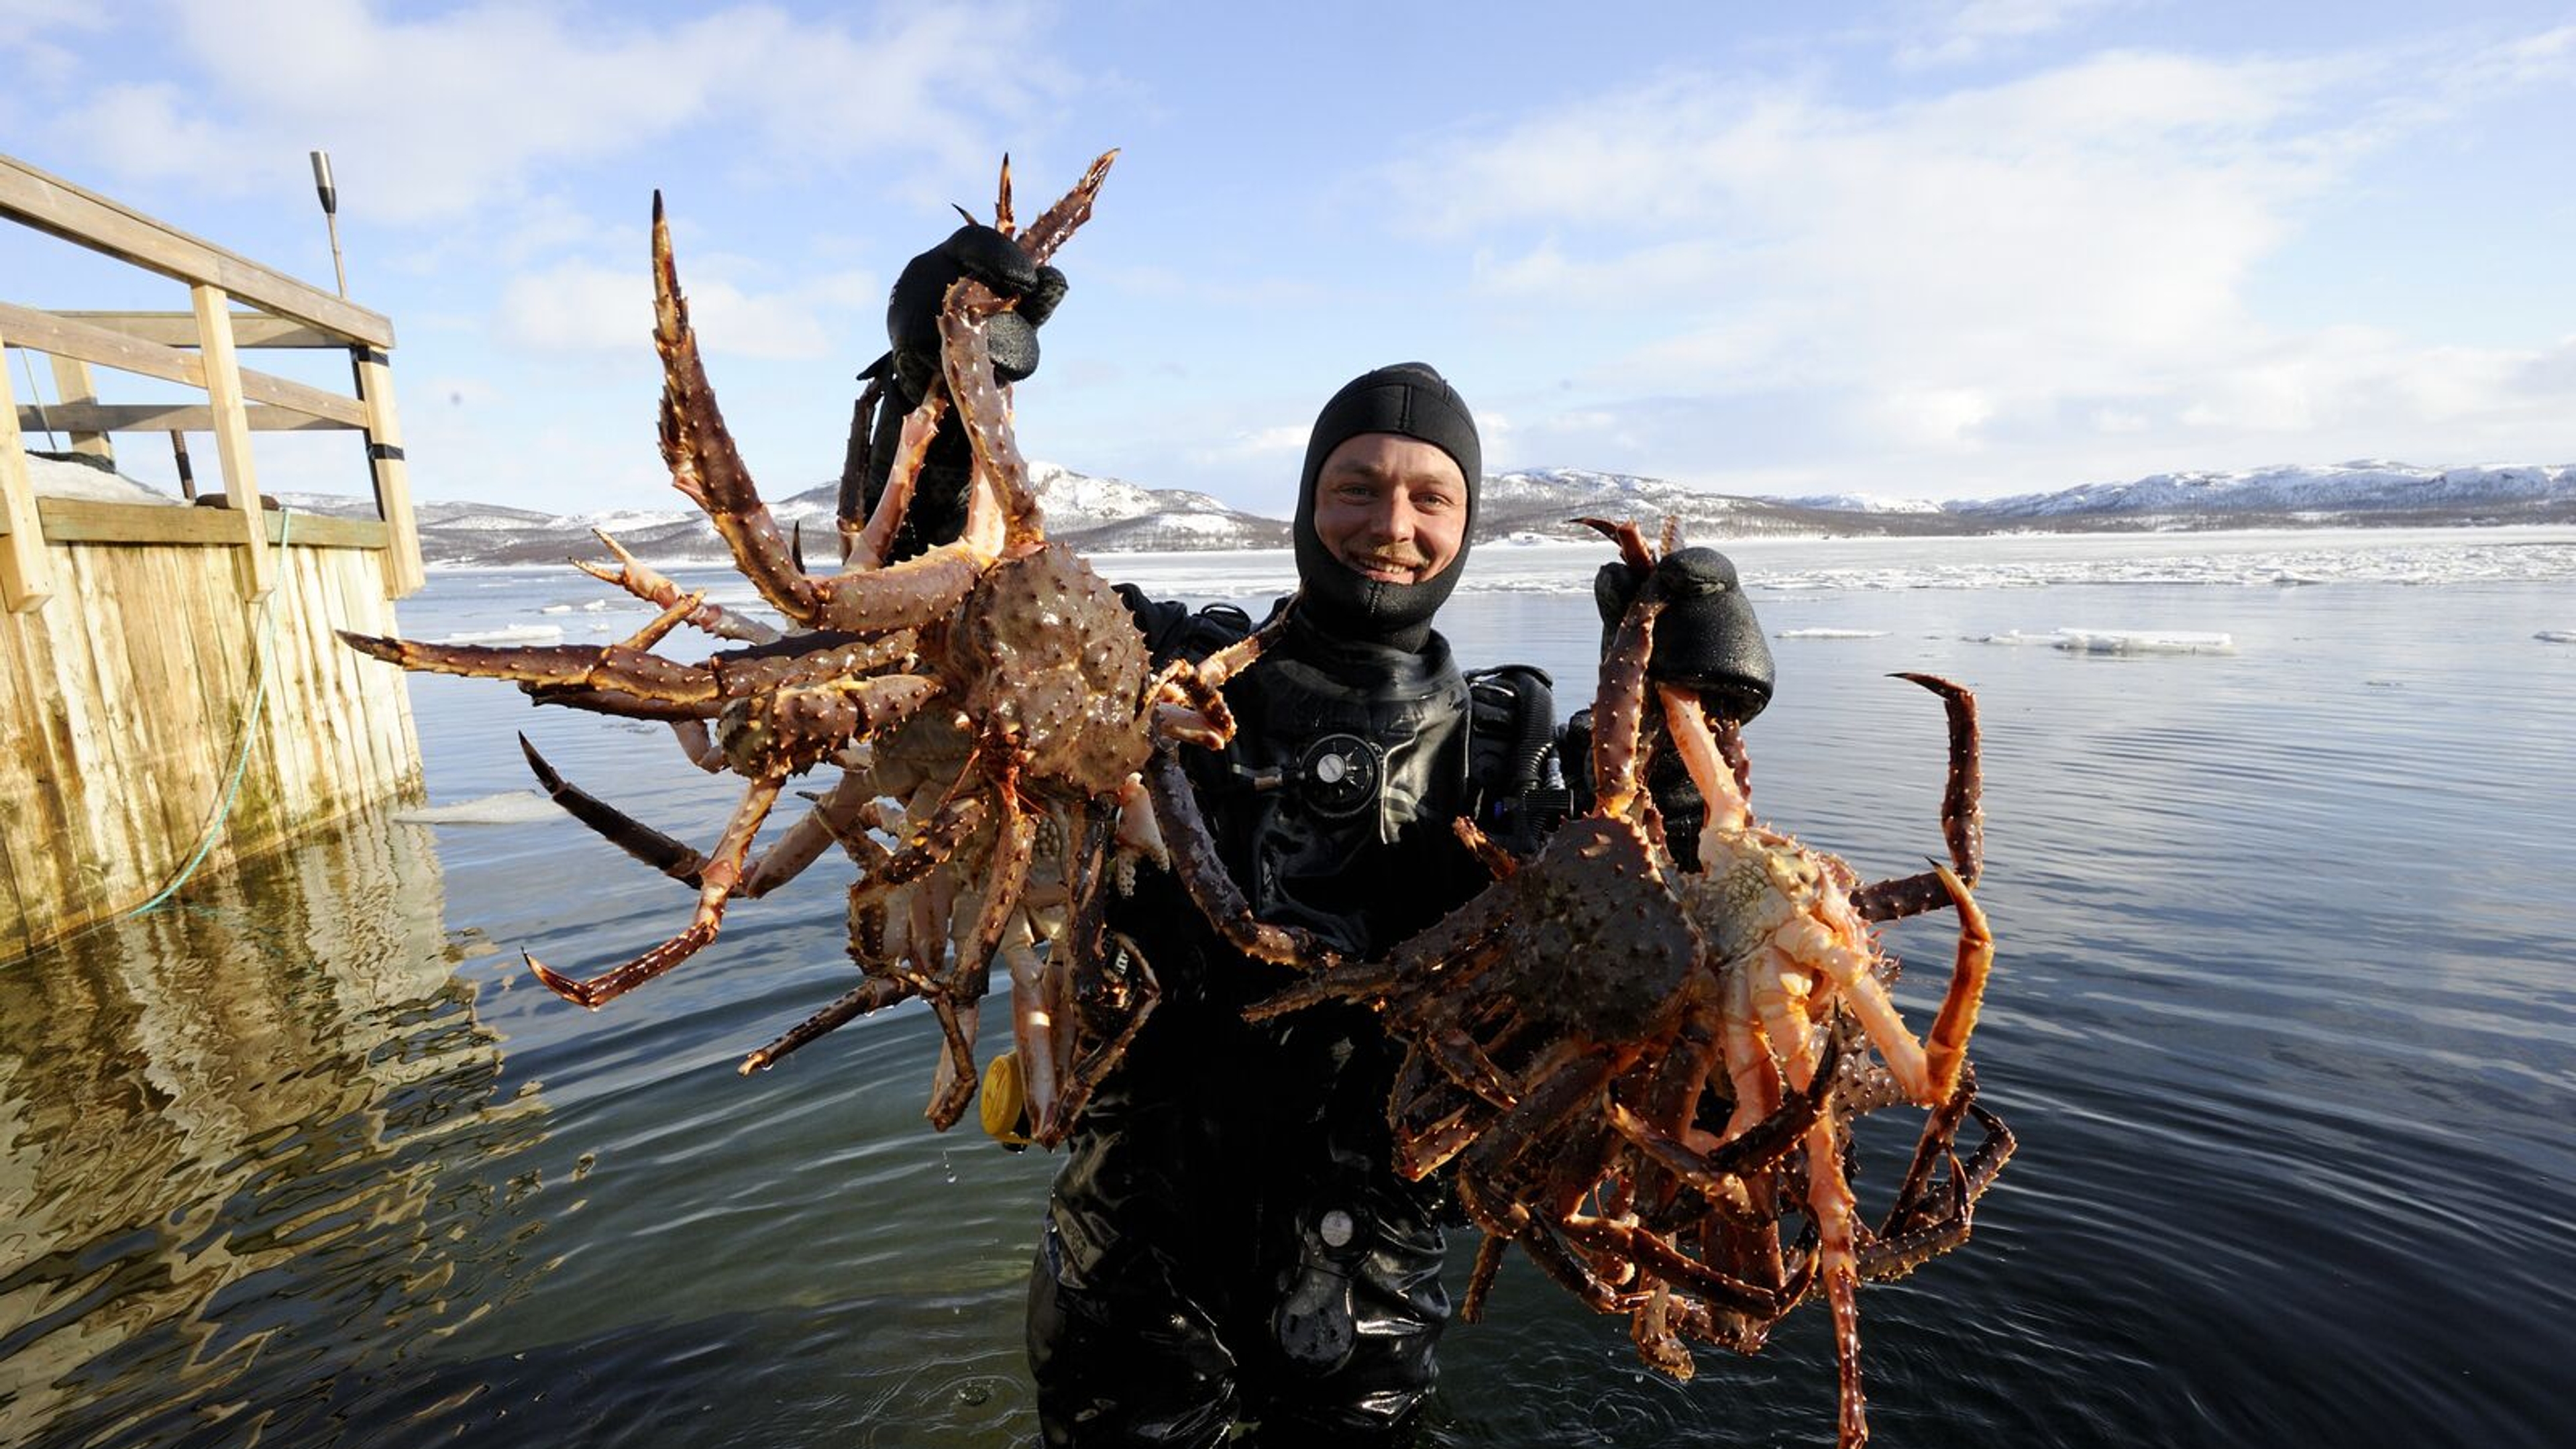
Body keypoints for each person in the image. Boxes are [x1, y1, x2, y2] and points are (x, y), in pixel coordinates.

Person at [855, 225, 1776, 1446]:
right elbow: (946, 610)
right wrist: (930, 390)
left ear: (1464, 525)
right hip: (1128, 1254)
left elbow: (1659, 944)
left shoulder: (1507, 744)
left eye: (1430, 496)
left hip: (1366, 1283)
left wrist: (1682, 736)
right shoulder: (1157, 664)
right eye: (1357, 487)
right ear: (1307, 502)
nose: (1391, 522)